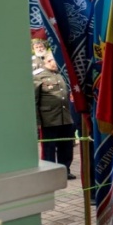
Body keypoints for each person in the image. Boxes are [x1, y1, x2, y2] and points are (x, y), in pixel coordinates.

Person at [34, 51, 76, 179]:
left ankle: (65, 170)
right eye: (53, 60)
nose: (56, 63)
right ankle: (50, 173)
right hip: (49, 119)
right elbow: (34, 101)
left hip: (66, 118)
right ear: (47, 61)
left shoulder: (63, 74)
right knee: (49, 148)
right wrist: (37, 122)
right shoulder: (38, 76)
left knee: (67, 147)